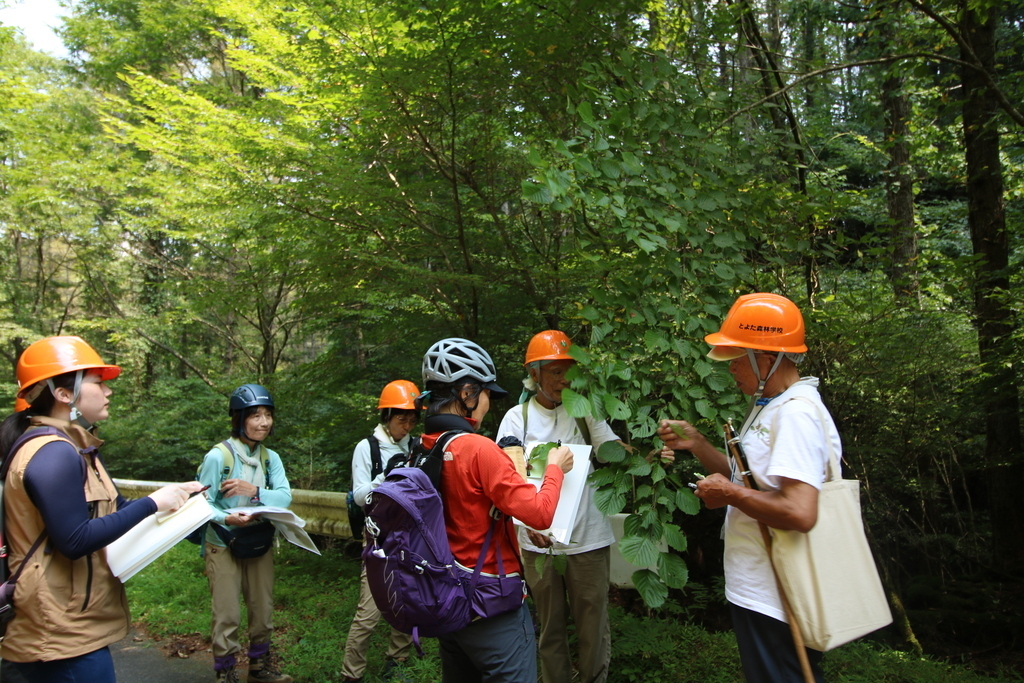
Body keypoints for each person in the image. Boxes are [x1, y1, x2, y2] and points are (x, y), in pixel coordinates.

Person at [657, 293, 840, 683]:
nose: (731, 368)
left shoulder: (795, 414)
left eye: (738, 357)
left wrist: (729, 495)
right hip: (760, 586)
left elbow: (800, 512)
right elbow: (749, 481)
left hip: (780, 595)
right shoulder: (771, 405)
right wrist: (700, 445)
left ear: (768, 357)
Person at [0, 336, 202, 683]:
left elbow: (116, 510)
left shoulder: (78, 447)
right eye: (98, 382)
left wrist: (180, 502)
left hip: (70, 623)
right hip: (59, 631)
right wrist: (154, 502)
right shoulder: (53, 453)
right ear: (64, 394)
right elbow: (74, 540)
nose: (108, 391)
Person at [418, 337, 573, 683]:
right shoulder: (478, 449)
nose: (488, 404)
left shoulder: (424, 446)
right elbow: (540, 512)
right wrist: (555, 466)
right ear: (468, 392)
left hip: (447, 600)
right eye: (487, 394)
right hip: (490, 604)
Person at [494, 330, 617, 683]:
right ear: (534, 374)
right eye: (555, 371)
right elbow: (509, 480)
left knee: (593, 624)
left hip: (588, 537)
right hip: (537, 541)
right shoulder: (517, 419)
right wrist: (527, 522)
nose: (565, 379)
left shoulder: (585, 412)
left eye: (570, 371)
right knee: (550, 627)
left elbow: (611, 452)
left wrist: (650, 456)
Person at [199, 383, 293, 683]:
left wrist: (254, 492)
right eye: (255, 416)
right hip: (222, 541)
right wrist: (227, 517)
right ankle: (225, 671)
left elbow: (284, 498)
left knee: (262, 608)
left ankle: (259, 666)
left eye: (268, 415)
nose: (264, 422)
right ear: (239, 418)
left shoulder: (270, 458)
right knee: (227, 613)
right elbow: (202, 506)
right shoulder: (219, 457)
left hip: (258, 538)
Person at [341, 380, 418, 683]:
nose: (407, 425)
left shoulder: (414, 445)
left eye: (412, 419)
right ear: (386, 416)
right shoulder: (368, 447)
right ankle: (352, 673)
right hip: (379, 537)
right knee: (369, 611)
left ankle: (397, 661)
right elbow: (360, 495)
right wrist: (386, 477)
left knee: (406, 602)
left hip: (410, 535)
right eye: (402, 419)